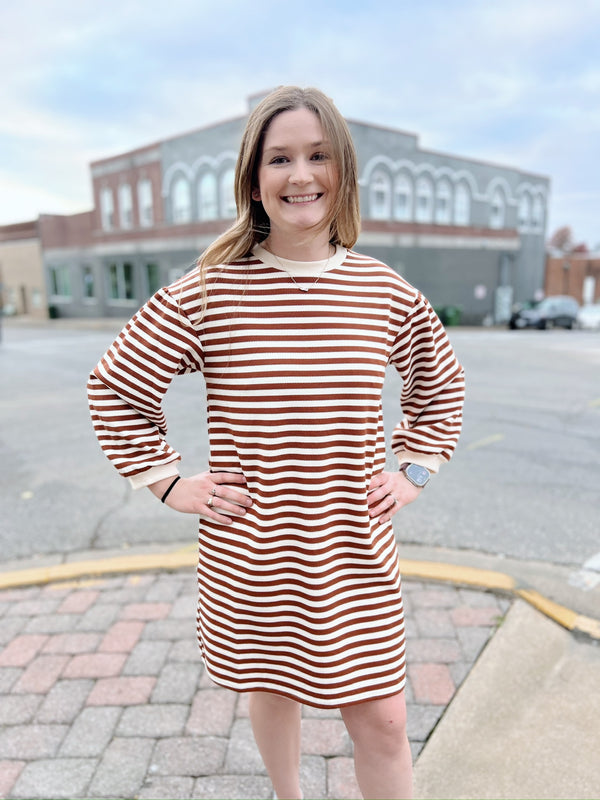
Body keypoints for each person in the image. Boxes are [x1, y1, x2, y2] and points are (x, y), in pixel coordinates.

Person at [88, 86, 465, 800]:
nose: (301, 175)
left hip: (354, 548)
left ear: (342, 170)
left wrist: (416, 466)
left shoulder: (383, 291)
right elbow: (115, 388)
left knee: (384, 720)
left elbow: (439, 385)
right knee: (274, 686)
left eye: (318, 156)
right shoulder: (209, 292)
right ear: (253, 179)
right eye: (280, 158)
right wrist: (169, 482)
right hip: (255, 552)